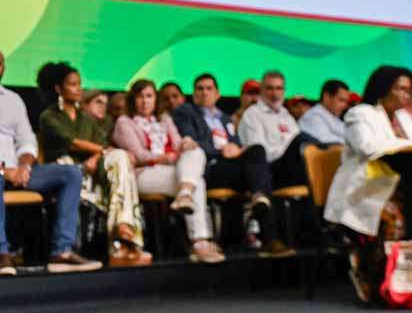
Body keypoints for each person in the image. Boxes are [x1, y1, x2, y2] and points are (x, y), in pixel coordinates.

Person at [0, 46, 100, 275]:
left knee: (71, 173)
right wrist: (2, 170)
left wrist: (24, 167)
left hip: (13, 171)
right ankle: (1, 255)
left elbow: (27, 141)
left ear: (3, 68)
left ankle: (61, 252)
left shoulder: (13, 100)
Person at [324, 65, 412, 303]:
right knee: (395, 214)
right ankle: (374, 276)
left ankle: (411, 281)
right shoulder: (359, 114)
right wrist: (410, 145)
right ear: (382, 89)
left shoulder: (400, 118)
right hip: (362, 189)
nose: (404, 95)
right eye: (399, 89)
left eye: (408, 90)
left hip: (391, 185)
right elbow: (368, 148)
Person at [37, 63, 151, 267]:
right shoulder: (49, 116)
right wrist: (101, 152)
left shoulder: (85, 118)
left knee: (120, 159)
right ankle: (121, 242)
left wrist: (99, 156)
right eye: (72, 84)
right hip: (65, 170)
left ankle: (123, 229)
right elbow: (70, 141)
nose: (78, 88)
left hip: (91, 168)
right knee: (115, 159)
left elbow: (103, 145)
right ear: (58, 89)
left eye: (79, 84)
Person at [172, 74, 293, 258]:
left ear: (218, 94)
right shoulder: (186, 112)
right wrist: (220, 151)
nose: (204, 92)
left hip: (230, 166)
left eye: (209, 88)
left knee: (257, 151)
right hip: (209, 167)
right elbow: (191, 144)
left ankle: (261, 207)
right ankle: (266, 226)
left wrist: (237, 148)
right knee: (259, 172)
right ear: (194, 94)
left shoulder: (225, 118)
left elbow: (236, 143)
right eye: (200, 88)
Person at [113, 79, 225, 264]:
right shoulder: (124, 122)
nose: (145, 101)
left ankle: (185, 196)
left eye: (149, 96)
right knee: (198, 181)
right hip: (144, 174)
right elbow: (140, 156)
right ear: (133, 100)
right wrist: (166, 158)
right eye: (140, 97)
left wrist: (186, 143)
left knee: (195, 151)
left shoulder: (164, 119)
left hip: (173, 172)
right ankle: (199, 241)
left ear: (155, 99)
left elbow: (177, 143)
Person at [237, 71, 305, 188]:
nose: (275, 94)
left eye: (279, 88)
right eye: (270, 88)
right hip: (270, 170)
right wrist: (286, 153)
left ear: (284, 91)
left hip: (292, 166)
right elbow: (257, 152)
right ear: (262, 91)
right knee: (302, 139)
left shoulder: (287, 116)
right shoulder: (252, 114)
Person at [298, 79, 350, 146]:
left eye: (346, 102)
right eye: (341, 100)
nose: (344, 105)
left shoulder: (336, 119)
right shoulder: (312, 117)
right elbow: (327, 145)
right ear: (326, 97)